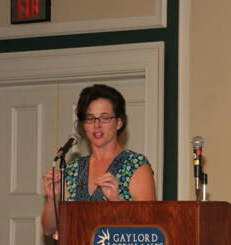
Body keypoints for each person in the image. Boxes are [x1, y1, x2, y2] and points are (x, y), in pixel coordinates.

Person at [41, 84, 156, 236]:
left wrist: (116, 201)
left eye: (105, 118)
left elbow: (151, 226)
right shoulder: (74, 167)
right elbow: (49, 229)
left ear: (119, 122)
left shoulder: (136, 165)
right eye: (90, 118)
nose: (97, 125)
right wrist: (53, 198)